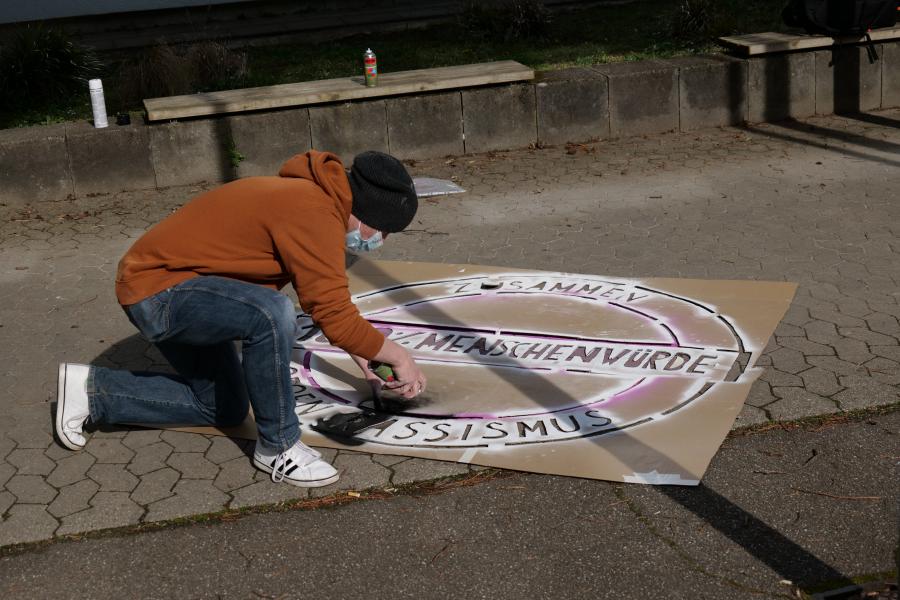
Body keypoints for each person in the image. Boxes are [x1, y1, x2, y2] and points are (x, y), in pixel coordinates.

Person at [54, 150, 427, 488]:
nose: (381, 240)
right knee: (271, 314)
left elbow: (328, 302)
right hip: (158, 294)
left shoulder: (314, 199)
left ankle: (91, 391)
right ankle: (278, 445)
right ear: (366, 213)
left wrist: (373, 360)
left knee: (225, 407)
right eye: (383, 231)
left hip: (186, 291)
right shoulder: (312, 211)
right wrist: (400, 357)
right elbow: (331, 312)